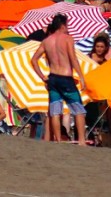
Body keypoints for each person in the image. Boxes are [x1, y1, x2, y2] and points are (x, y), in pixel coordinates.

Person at [29, 13, 88, 144]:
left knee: (55, 110)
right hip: (66, 77)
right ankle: (82, 141)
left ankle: (57, 140)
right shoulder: (67, 39)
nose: (68, 28)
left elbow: (33, 60)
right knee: (78, 109)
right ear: (62, 25)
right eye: (67, 25)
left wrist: (43, 77)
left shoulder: (46, 41)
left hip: (52, 78)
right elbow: (73, 59)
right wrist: (81, 77)